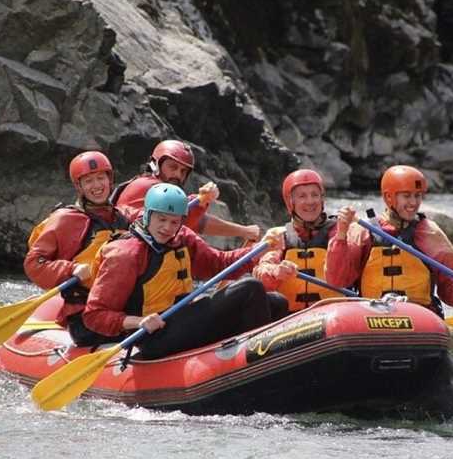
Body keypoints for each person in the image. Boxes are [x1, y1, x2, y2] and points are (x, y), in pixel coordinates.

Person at [75, 183, 287, 359]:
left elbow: (218, 263)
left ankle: (253, 360)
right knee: (250, 287)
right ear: (148, 215)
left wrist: (259, 249)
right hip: (154, 335)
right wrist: (138, 322)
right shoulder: (125, 254)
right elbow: (94, 316)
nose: (167, 228)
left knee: (276, 301)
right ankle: (258, 360)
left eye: (174, 222)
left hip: (183, 319)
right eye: (161, 219)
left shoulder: (182, 238)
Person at [326, 165, 453, 317]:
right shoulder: (363, 230)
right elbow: (337, 279)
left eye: (417, 196)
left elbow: (450, 289)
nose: (413, 203)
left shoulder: (430, 232)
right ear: (389, 197)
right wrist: (341, 235)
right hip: (371, 315)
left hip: (420, 317)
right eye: (406, 196)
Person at [24, 148, 131, 326]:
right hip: (84, 313)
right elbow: (34, 263)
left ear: (110, 180)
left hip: (120, 307)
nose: (96, 186)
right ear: (79, 186)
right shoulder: (65, 219)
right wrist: (70, 269)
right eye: (88, 181)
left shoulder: (122, 218)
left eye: (101, 178)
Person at [117, 139, 261, 242]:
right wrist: (201, 199)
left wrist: (243, 231)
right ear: (155, 165)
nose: (178, 175)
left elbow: (197, 222)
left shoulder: (165, 198)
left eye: (183, 171)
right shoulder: (146, 186)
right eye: (172, 167)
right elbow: (188, 218)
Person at [253, 168, 345, 312]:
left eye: (315, 195)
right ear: (291, 202)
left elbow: (347, 269)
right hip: (290, 317)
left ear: (322, 199)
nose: (310, 201)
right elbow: (262, 270)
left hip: (332, 313)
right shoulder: (278, 235)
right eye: (302, 196)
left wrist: (342, 236)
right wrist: (275, 272)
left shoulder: (340, 231)